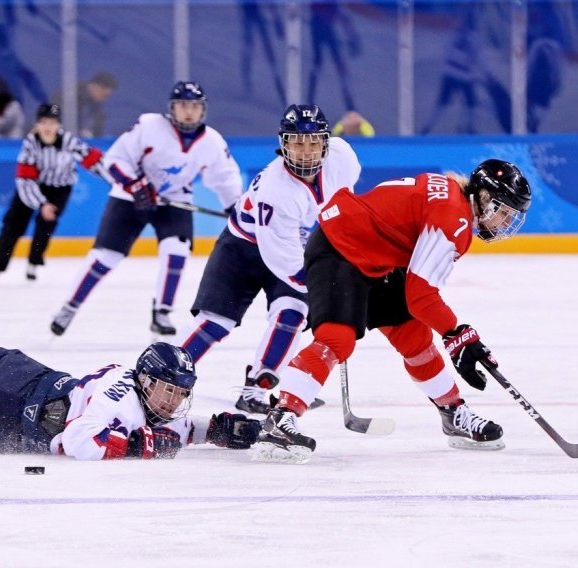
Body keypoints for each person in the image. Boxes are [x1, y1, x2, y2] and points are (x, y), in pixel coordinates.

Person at [253, 159, 532, 464]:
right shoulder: (455, 219)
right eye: (504, 212)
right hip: (339, 248)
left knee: (415, 338)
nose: (505, 223)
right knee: (337, 340)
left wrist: (457, 337)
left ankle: (452, 412)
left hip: (374, 255)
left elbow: (414, 282)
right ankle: (280, 418)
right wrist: (458, 334)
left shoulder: (451, 195)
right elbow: (421, 295)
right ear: (484, 198)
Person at [179, 104, 360, 414]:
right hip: (242, 251)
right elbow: (288, 266)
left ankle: (257, 389)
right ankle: (161, 374)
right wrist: (326, 291)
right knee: (216, 322)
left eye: (313, 142)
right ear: (283, 144)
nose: (305, 151)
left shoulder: (342, 157)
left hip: (293, 244)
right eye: (297, 143)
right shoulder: (277, 192)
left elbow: (342, 208)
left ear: (326, 143)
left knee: (291, 312)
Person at [0, 336, 261, 459]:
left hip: (21, 380)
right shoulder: (119, 400)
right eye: (168, 390)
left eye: (180, 393)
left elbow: (180, 428)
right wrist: (140, 446)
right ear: (146, 380)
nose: (173, 402)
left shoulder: (133, 389)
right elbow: (78, 440)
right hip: (14, 429)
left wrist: (221, 429)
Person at [50, 81, 242, 338]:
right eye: (183, 105)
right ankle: (70, 306)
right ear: (172, 108)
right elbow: (114, 160)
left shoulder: (213, 142)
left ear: (202, 110)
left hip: (174, 200)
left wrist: (233, 207)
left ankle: (161, 311)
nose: (188, 112)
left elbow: (225, 178)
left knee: (177, 250)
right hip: (129, 199)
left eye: (194, 106)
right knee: (106, 257)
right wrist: (135, 185)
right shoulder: (149, 126)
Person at [0, 103, 110, 283]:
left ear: (58, 125)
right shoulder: (30, 145)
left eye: (52, 123)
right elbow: (24, 180)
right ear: (37, 124)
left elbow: (97, 162)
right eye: (43, 122)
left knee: (46, 226)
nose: (48, 127)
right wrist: (42, 204)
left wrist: (117, 181)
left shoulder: (69, 142)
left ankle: (34, 262)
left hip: (60, 189)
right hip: (32, 187)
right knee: (13, 224)